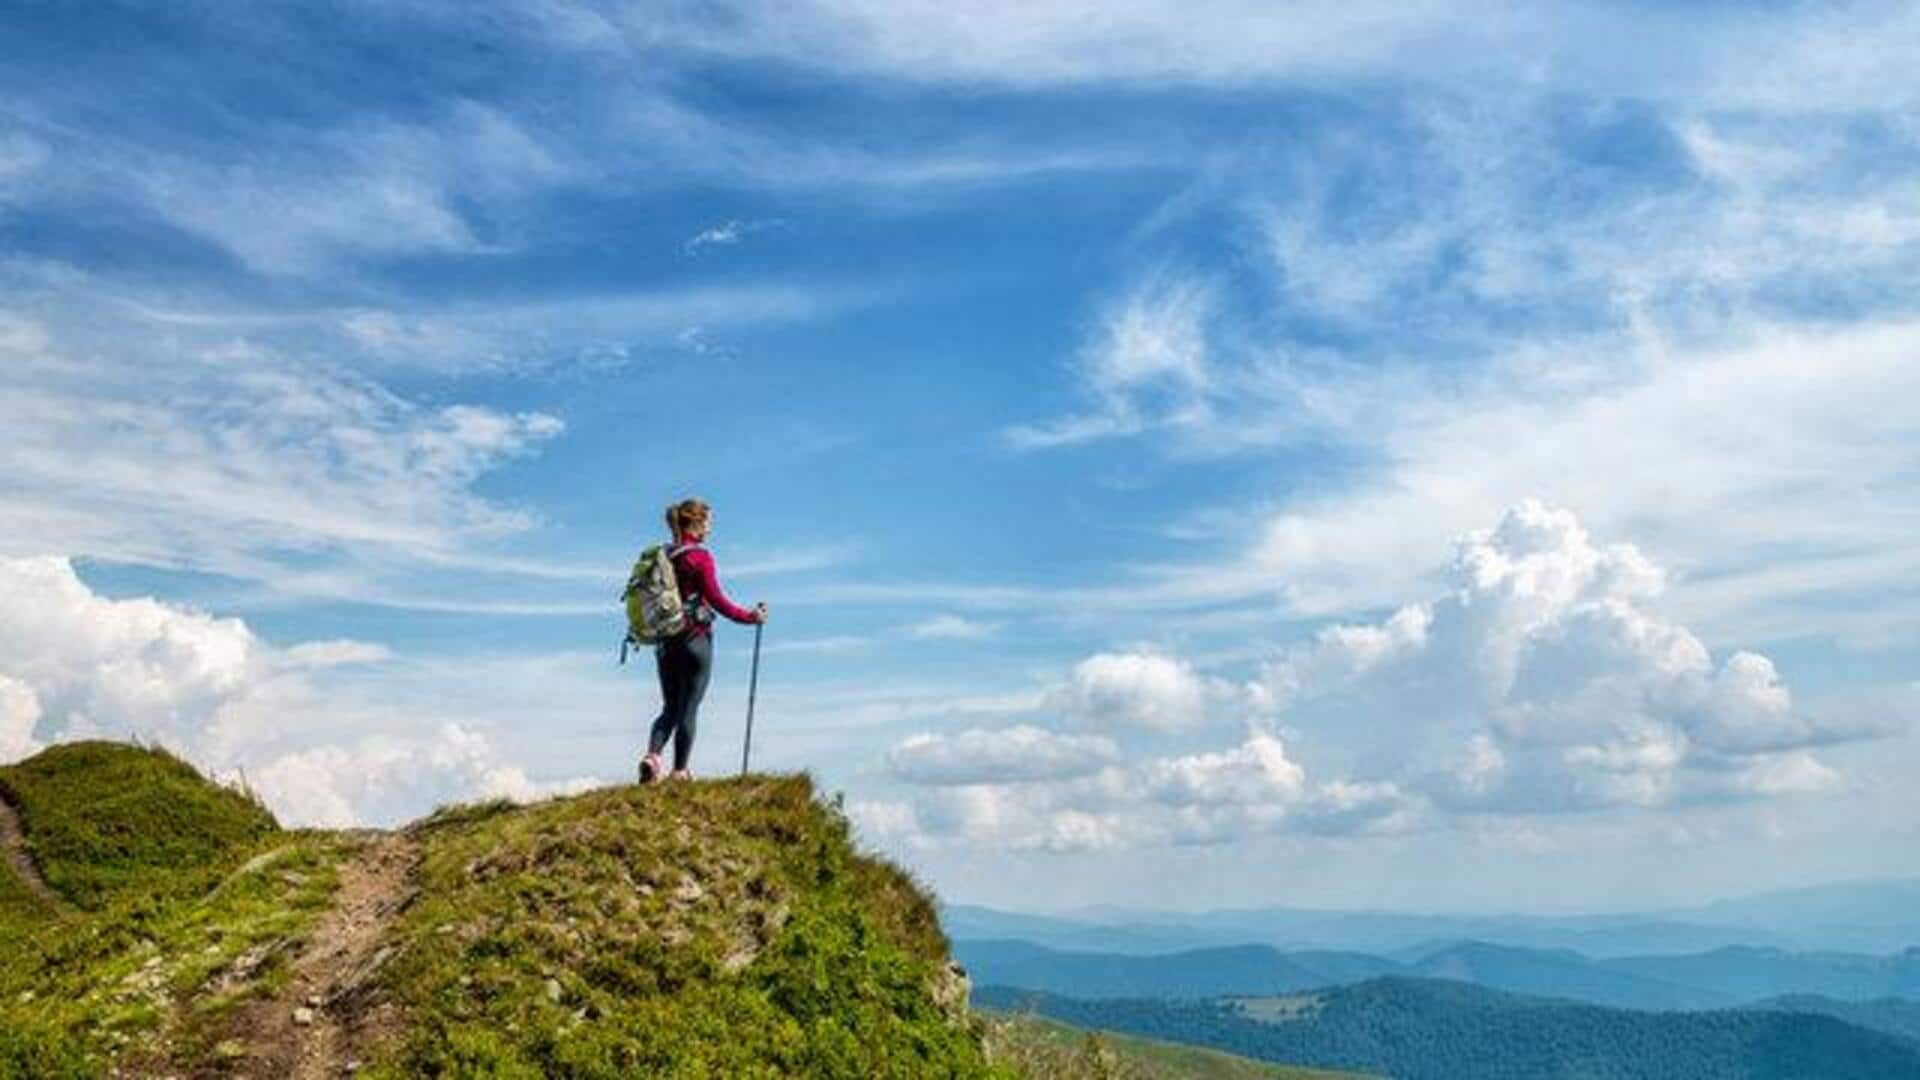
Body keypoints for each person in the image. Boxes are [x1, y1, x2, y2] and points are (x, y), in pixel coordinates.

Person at [641, 498, 767, 783]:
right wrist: (750, 617)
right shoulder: (700, 558)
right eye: (708, 523)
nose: (710, 529)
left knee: (669, 708)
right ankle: (680, 771)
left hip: (665, 642)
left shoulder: (663, 556)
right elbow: (718, 601)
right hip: (695, 639)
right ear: (696, 523)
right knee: (689, 707)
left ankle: (652, 756)